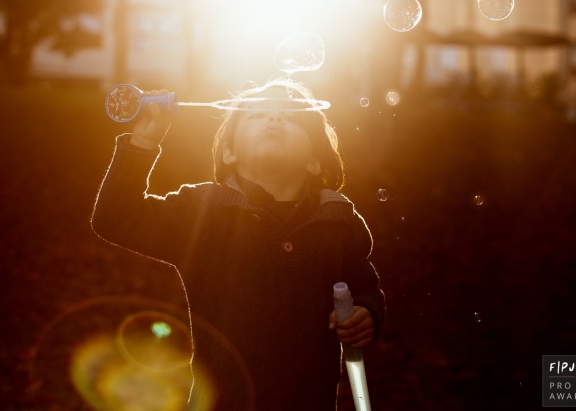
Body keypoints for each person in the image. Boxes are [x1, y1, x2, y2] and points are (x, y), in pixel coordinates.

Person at [91, 79, 386, 410]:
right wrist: (143, 141)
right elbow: (117, 218)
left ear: (315, 160)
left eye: (291, 116)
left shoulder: (338, 222)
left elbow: (363, 286)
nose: (274, 120)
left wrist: (366, 312)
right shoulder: (203, 211)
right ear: (229, 152)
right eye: (257, 114)